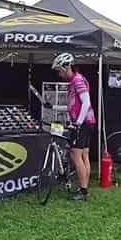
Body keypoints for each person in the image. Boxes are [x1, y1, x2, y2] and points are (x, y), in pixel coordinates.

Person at [51, 53, 95, 201]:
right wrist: (54, 107)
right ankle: (84, 188)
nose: (59, 74)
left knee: (75, 155)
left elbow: (86, 102)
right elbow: (73, 106)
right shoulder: (75, 81)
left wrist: (78, 123)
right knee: (84, 155)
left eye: (59, 71)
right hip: (87, 122)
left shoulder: (77, 80)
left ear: (66, 67)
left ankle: (83, 191)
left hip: (83, 123)